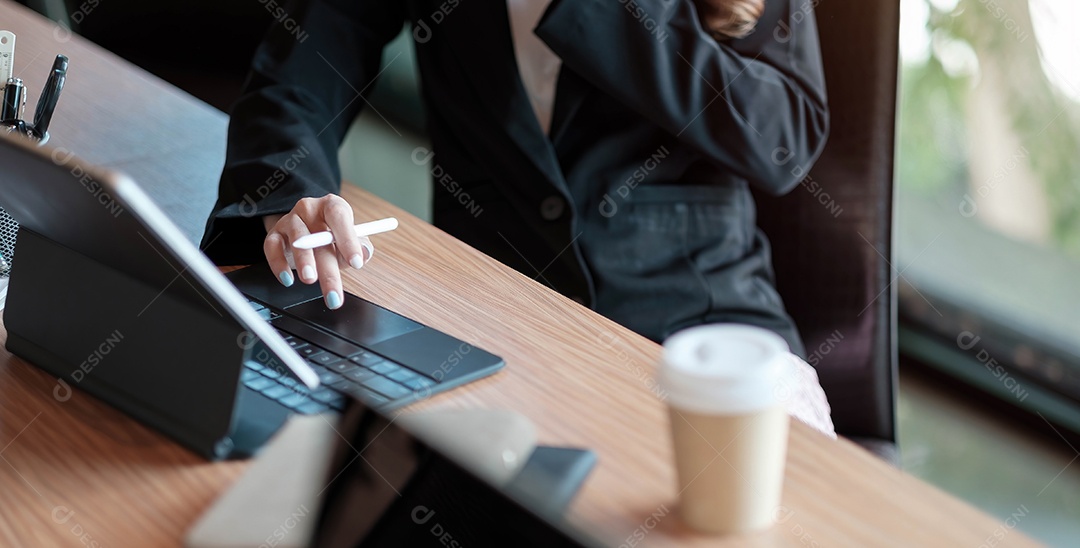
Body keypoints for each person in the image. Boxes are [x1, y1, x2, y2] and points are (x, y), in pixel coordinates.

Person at [202, 0, 835, 431]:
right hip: (489, 319)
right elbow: (305, 65)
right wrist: (286, 192)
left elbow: (786, 136)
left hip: (698, 327)